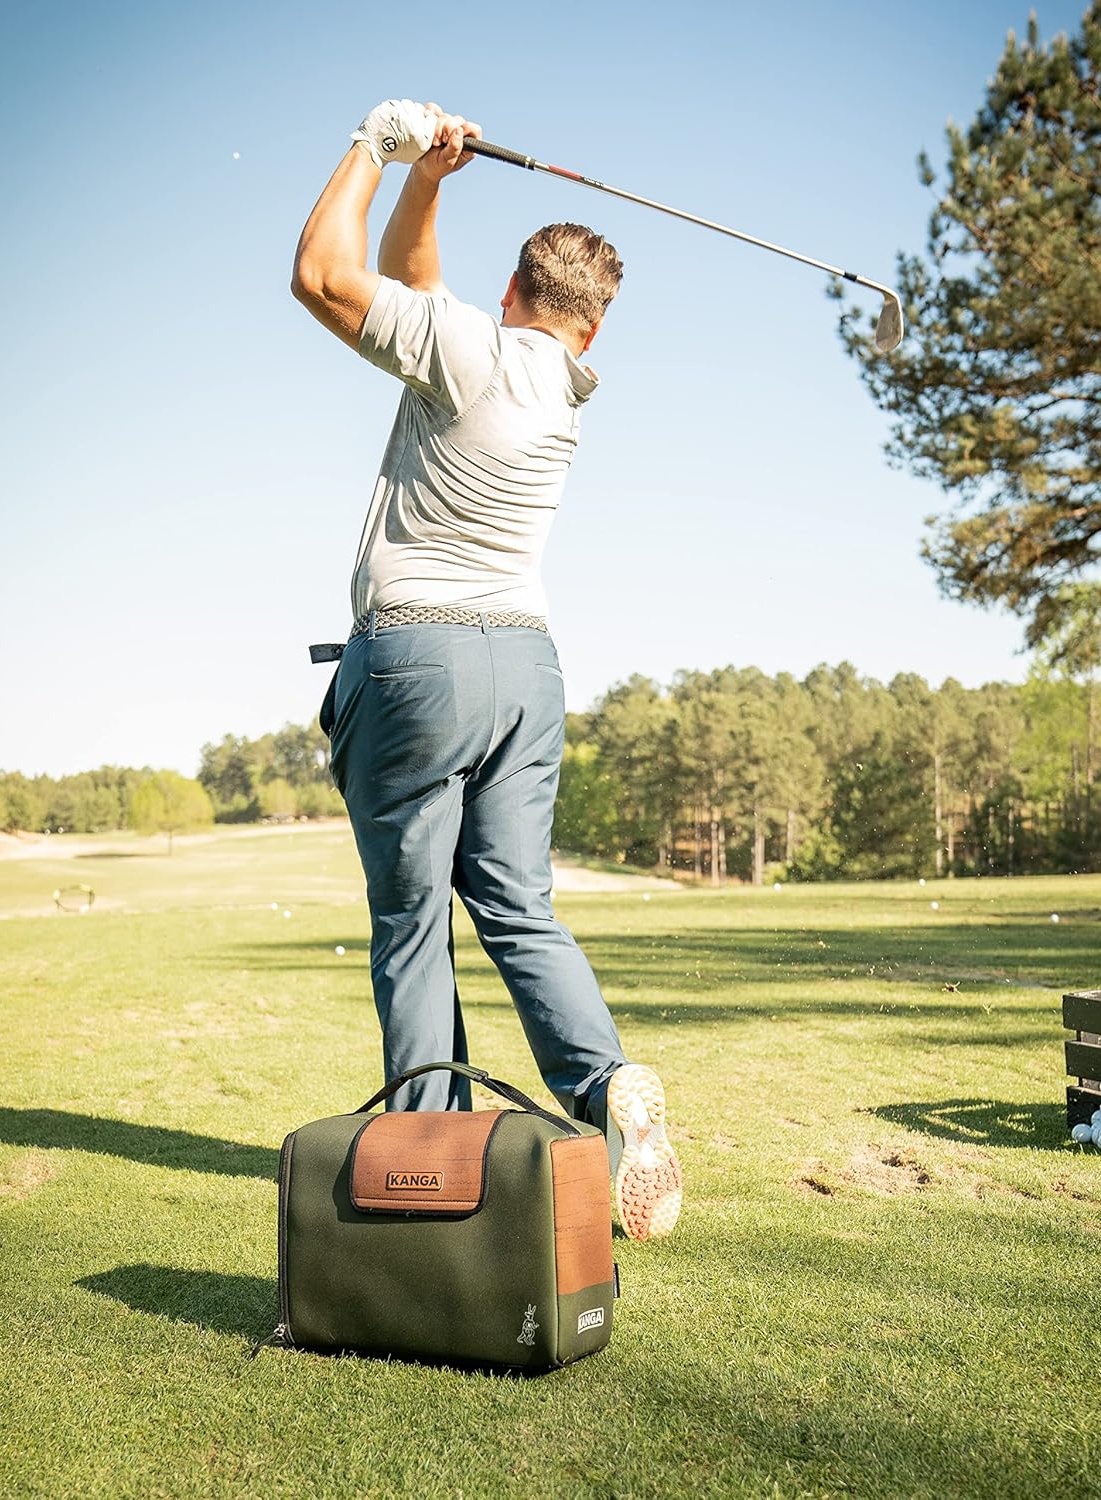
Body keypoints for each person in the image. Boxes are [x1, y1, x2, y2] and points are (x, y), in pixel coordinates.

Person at [290, 99, 680, 1241]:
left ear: (509, 297)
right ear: (589, 327)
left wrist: (375, 144)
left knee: (412, 919)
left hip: (418, 658)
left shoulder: (470, 350)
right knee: (514, 905)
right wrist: (432, 184)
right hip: (526, 670)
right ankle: (606, 1087)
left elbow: (322, 274)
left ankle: (427, 1157)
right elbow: (421, 294)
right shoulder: (563, 384)